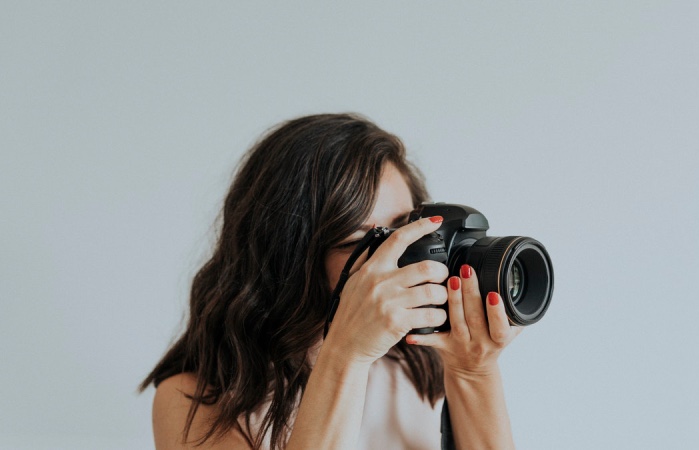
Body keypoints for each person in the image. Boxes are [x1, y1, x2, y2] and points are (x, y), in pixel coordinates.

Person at [140, 113, 522, 449]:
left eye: (407, 232)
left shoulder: (418, 360)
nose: (393, 260)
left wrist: (474, 372)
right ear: (288, 258)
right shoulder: (191, 399)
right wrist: (346, 354)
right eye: (360, 242)